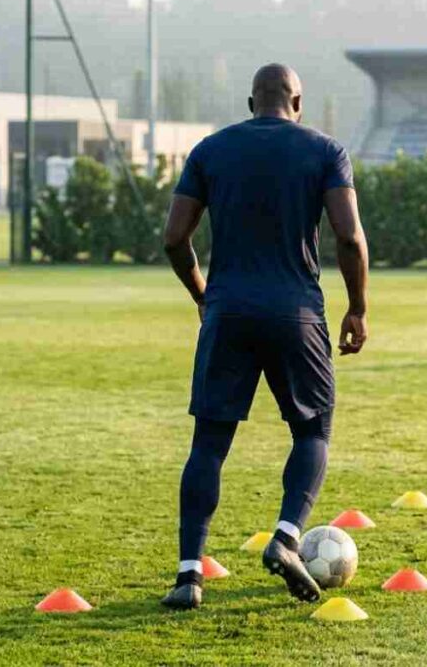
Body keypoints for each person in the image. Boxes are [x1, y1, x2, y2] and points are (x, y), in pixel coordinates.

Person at [160, 63, 369, 610]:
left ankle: (188, 575)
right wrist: (358, 308)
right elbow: (348, 237)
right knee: (312, 431)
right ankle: (285, 537)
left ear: (251, 103)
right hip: (296, 312)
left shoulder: (211, 150)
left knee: (209, 443)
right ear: (297, 102)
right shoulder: (326, 150)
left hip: (227, 311)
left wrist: (203, 294)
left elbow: (174, 238)